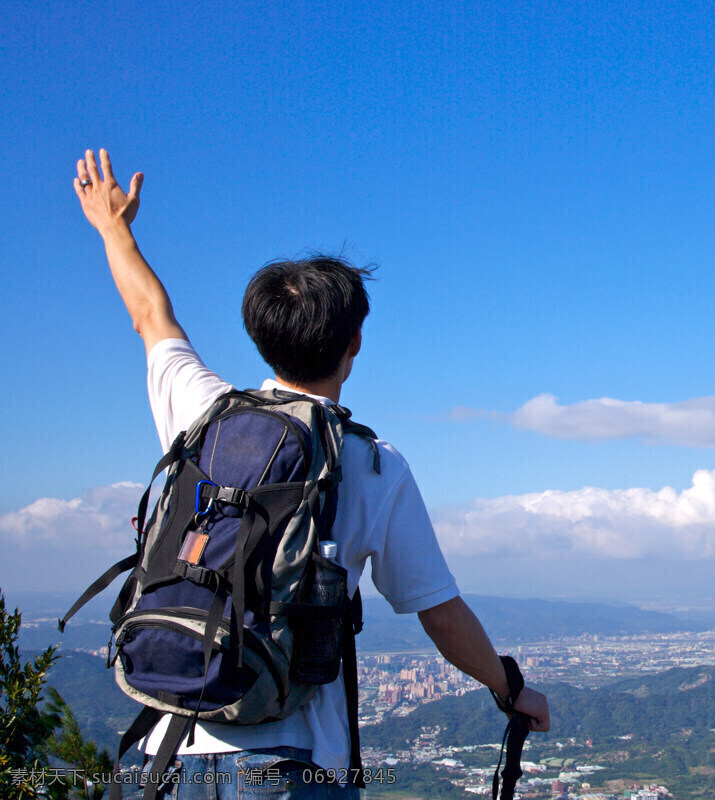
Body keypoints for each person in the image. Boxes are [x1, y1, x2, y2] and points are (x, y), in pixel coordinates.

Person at [73, 149, 550, 797]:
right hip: (295, 765)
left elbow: (150, 316)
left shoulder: (203, 412)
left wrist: (112, 228)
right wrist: (510, 688)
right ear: (354, 343)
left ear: (260, 334)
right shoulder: (371, 462)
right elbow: (438, 612)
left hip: (177, 747)